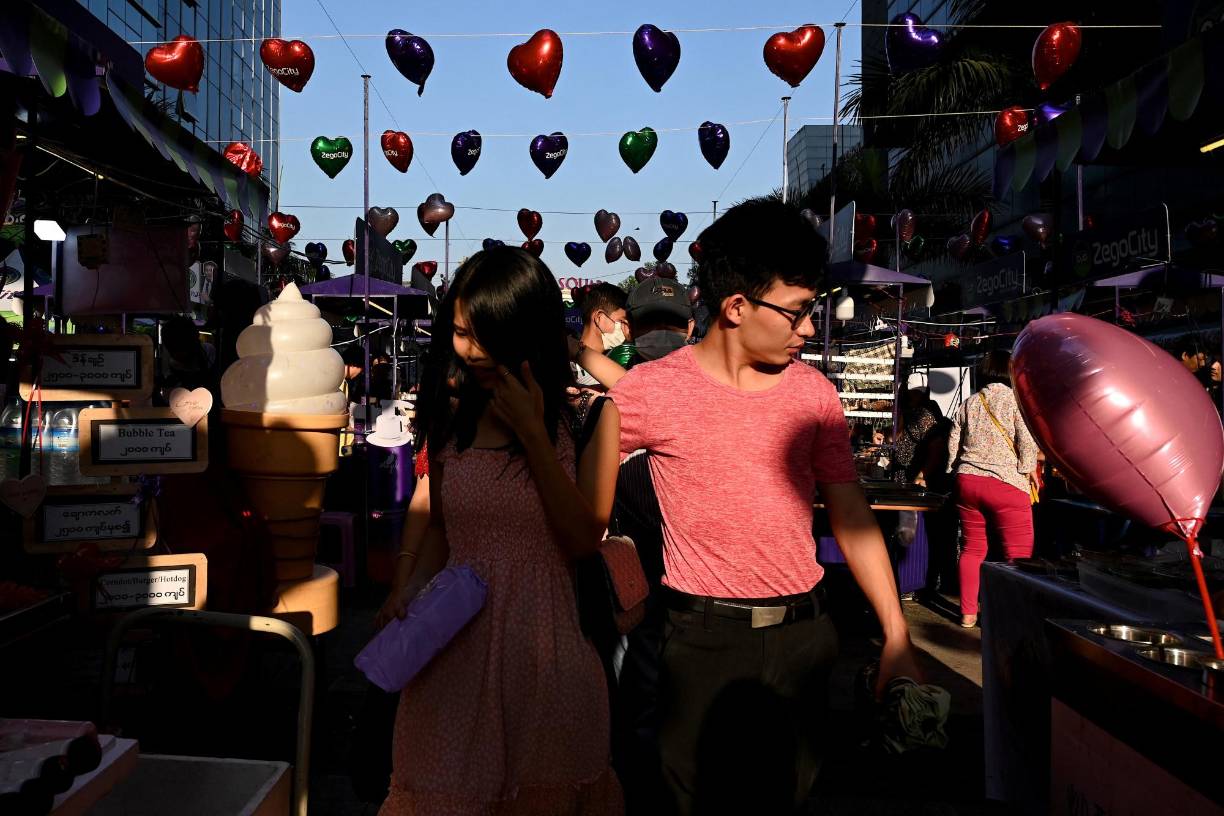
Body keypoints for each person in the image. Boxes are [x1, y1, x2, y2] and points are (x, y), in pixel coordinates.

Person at [607, 199, 920, 816]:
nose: (808, 329)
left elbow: (852, 516)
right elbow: (578, 486)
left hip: (804, 642)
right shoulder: (650, 391)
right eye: (798, 311)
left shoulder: (814, 394)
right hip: (698, 644)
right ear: (736, 307)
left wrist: (896, 630)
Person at [380, 246, 623, 814]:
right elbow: (442, 526)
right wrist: (406, 590)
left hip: (549, 659)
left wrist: (535, 439)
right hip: (451, 656)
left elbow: (583, 539)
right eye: (464, 332)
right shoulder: (450, 412)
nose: (476, 350)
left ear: (530, 332)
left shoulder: (589, 418)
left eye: (491, 334)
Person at [947, 350, 1039, 628]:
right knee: (1018, 554)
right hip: (1006, 483)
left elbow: (954, 442)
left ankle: (967, 613)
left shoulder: (969, 403)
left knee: (972, 549)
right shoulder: (1015, 401)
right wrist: (1028, 469)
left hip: (968, 482)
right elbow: (1028, 441)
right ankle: (1012, 614)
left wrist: (954, 468)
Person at [573, 283, 631, 387]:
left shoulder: (623, 360)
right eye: (622, 321)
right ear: (599, 318)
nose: (626, 328)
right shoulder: (569, 366)